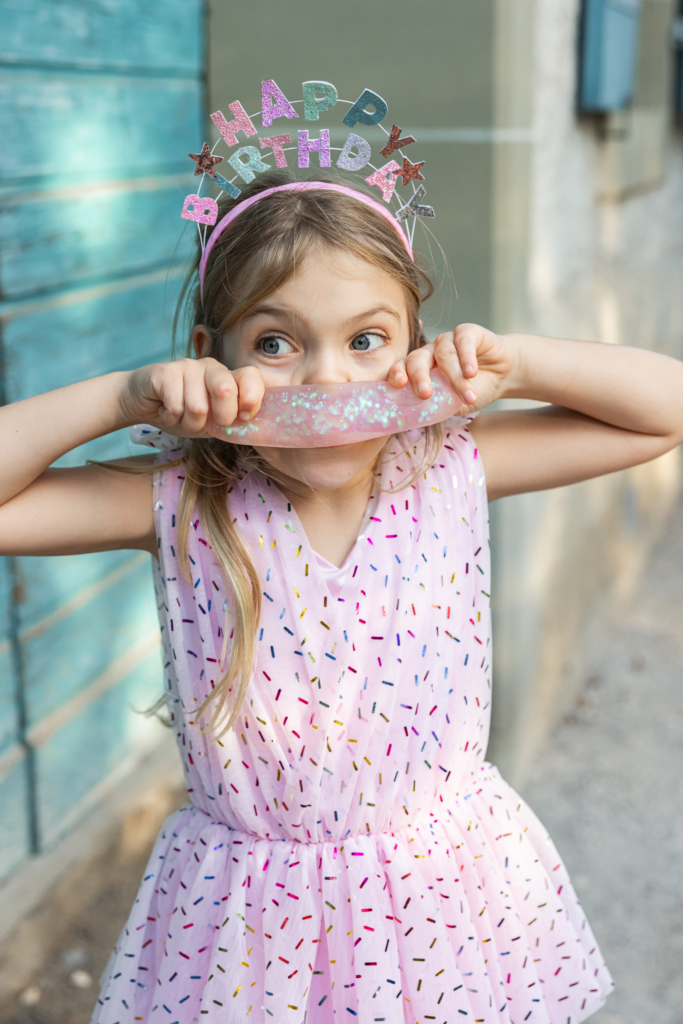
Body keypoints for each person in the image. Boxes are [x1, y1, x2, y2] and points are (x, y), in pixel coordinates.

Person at [2, 171, 682, 1024]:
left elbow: (664, 411)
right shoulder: (181, 497)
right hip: (250, 928)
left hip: (440, 902)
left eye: (366, 340)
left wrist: (520, 364)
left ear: (416, 349)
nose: (326, 379)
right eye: (275, 343)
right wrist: (119, 397)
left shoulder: (445, 465)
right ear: (211, 358)